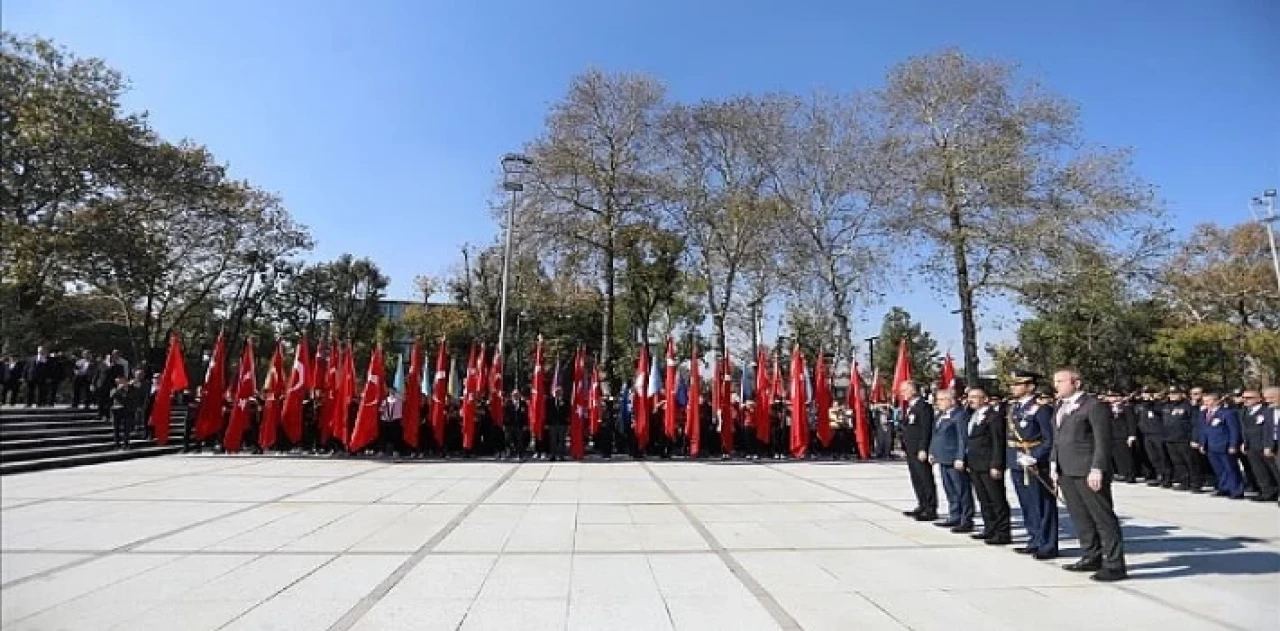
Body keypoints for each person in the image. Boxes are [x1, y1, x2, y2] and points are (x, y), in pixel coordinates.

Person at [1050, 368, 1126, 582]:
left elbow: (1103, 440)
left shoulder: (1094, 406)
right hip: (1067, 470)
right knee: (1080, 517)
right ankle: (1090, 555)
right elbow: (1057, 438)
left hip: (1087, 470)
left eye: (1060, 381)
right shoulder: (1060, 406)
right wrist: (1054, 464)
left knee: (1102, 517)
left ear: (1076, 382)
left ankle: (1114, 563)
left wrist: (1097, 468)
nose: (1056, 385)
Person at [1006, 371, 1058, 559]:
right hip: (1017, 460)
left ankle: (1048, 544)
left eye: (1018, 384)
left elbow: (1049, 438)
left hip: (1034, 462)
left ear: (1030, 386)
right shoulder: (1014, 408)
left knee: (1042, 504)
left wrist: (1036, 457)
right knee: (1027, 503)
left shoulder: (1041, 408)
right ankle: (1035, 539)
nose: (1013, 387)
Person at [965, 387, 1010, 545]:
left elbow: (998, 442)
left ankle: (1003, 532)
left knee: (996, 499)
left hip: (989, 463)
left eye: (975, 397)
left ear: (985, 399)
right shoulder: (973, 415)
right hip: (976, 464)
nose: (970, 400)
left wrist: (996, 464)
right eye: (969, 397)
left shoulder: (994, 417)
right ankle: (989, 528)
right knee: (983, 499)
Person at [930, 389, 973, 532]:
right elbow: (935, 435)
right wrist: (932, 452)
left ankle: (966, 519)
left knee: (962, 490)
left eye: (942, 399)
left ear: (952, 401)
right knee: (949, 489)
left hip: (954, 458)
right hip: (943, 458)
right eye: (938, 399)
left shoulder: (960, 415)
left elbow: (962, 438)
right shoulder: (940, 416)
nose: (938, 402)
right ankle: (954, 515)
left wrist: (960, 457)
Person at [1193, 391, 1243, 499]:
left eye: (1209, 400)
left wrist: (1233, 445)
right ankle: (1224, 488)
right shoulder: (1204, 413)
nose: (1206, 403)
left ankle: (1236, 490)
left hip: (1224, 445)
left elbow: (1234, 430)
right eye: (1204, 401)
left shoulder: (1227, 413)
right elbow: (1203, 430)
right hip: (1211, 446)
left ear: (1217, 401)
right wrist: (1202, 443)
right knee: (1219, 469)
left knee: (1230, 468)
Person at [900, 381, 937, 521]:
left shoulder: (923, 407)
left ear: (913, 390)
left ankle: (930, 508)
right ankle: (922, 504)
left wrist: (923, 448)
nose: (902, 393)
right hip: (910, 449)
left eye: (904, 390)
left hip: (919, 449)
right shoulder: (910, 407)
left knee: (925, 478)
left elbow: (926, 429)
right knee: (916, 478)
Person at [1239, 389, 1278, 502]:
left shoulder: (1267, 410)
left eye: (1249, 398)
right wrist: (1244, 442)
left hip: (1264, 445)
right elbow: (1244, 429)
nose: (1245, 400)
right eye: (1244, 398)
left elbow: (1269, 429)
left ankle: (1276, 492)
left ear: (1259, 399)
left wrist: (1268, 445)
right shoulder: (1244, 411)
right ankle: (1267, 492)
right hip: (1251, 446)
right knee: (1259, 471)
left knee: (1273, 470)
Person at [1162, 387, 1199, 491]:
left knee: (1191, 462)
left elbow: (1195, 423)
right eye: (1171, 394)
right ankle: (1184, 482)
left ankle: (1195, 483)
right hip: (1170, 439)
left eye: (1176, 393)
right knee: (1178, 462)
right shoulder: (1166, 406)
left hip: (1184, 439)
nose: (1173, 396)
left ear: (1181, 394)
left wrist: (1194, 438)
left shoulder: (1188, 406)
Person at [1104, 390, 1137, 483]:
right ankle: (1121, 473)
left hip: (1123, 434)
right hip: (1112, 434)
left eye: (1113, 396)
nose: (1111, 398)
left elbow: (1131, 421)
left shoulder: (1125, 407)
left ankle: (1130, 474)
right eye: (1109, 396)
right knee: (1117, 456)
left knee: (1126, 456)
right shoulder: (1106, 407)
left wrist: (1131, 435)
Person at [546, 385, 570, 462]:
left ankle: (561, 456)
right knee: (553, 441)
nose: (558, 393)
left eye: (559, 392)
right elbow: (547, 412)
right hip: (552, 424)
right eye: (556, 392)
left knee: (562, 441)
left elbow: (567, 413)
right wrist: (547, 423)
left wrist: (568, 423)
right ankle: (553, 455)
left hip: (562, 424)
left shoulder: (565, 401)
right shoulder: (549, 401)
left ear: (562, 393)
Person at [505, 388, 530, 460]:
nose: (516, 396)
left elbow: (526, 415)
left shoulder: (523, 403)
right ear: (512, 395)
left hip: (520, 425)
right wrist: (505, 424)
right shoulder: (508, 403)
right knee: (508, 440)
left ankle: (520, 455)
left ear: (519, 395)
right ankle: (509, 453)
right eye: (514, 395)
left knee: (520, 441)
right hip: (510, 425)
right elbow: (505, 414)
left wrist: (526, 425)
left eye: (517, 394)